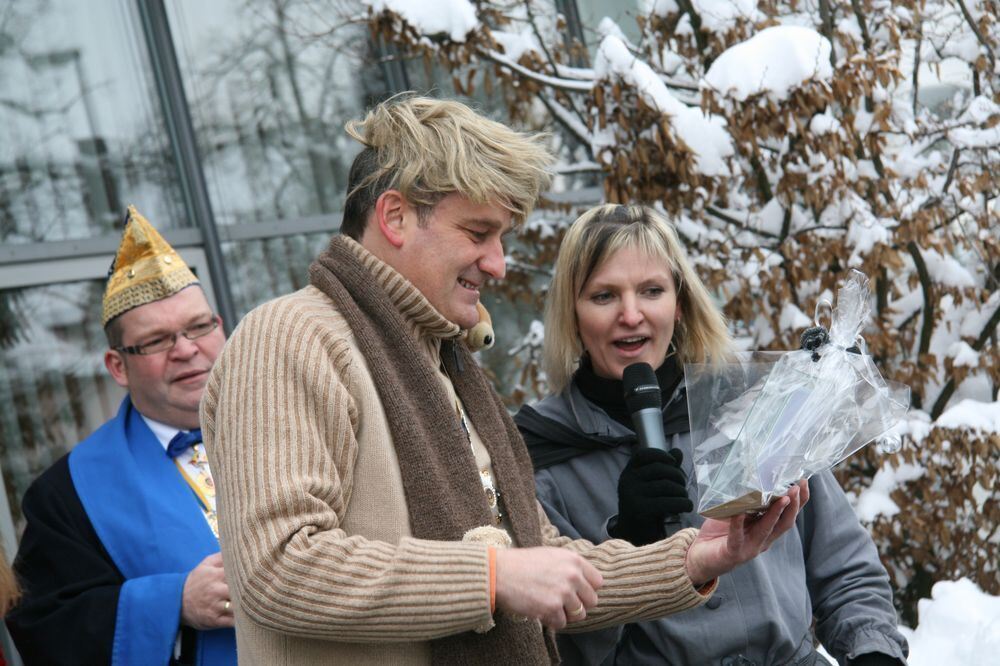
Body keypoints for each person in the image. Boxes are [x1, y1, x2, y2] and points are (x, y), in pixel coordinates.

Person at [200, 95, 807, 665]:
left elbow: (546, 562)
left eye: (501, 238)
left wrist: (699, 558)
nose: (498, 263)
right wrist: (492, 577)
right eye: (477, 232)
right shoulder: (289, 336)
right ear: (395, 216)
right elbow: (279, 568)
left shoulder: (446, 366)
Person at [515, 203, 908, 665]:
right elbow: (560, 646)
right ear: (573, 313)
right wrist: (627, 543)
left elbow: (846, 569)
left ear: (679, 303)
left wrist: (873, 652)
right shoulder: (537, 454)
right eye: (603, 296)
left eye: (651, 290)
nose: (631, 314)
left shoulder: (754, 404)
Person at [6, 207, 237, 665]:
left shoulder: (302, 427)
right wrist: (174, 604)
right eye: (157, 340)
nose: (187, 350)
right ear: (118, 367)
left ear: (221, 328)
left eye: (198, 327)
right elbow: (47, 628)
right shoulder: (66, 494)